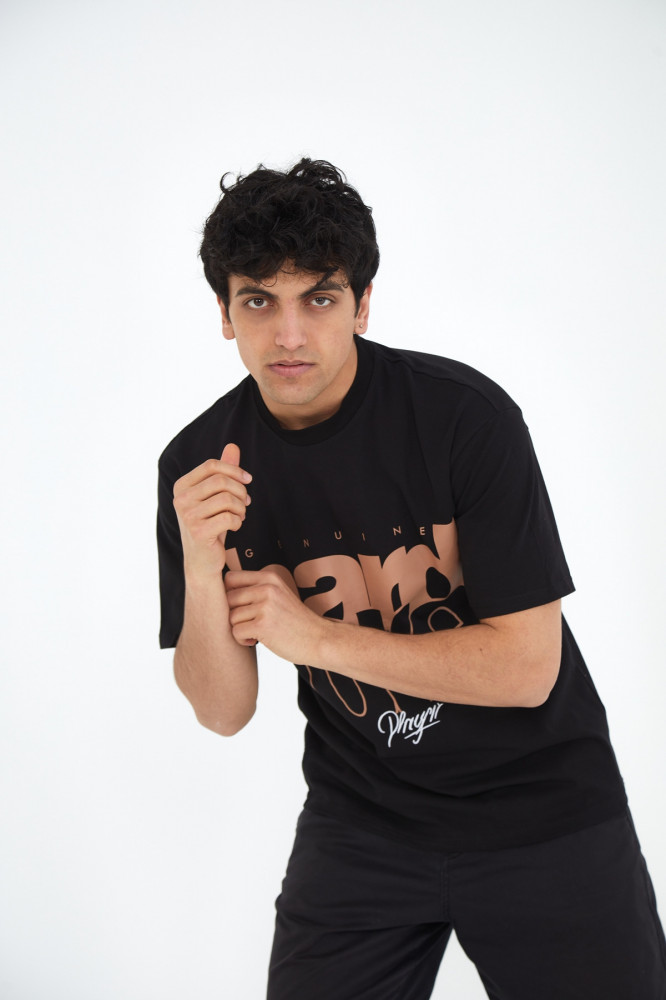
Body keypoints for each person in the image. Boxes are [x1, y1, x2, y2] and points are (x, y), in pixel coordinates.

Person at [157, 159, 666, 999]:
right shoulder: (200, 468)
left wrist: (312, 638)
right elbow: (222, 710)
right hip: (363, 826)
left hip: (543, 813)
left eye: (320, 298)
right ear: (224, 313)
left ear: (362, 304)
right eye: (259, 301)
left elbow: (525, 668)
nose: (290, 335)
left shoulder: (464, 418)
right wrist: (203, 566)